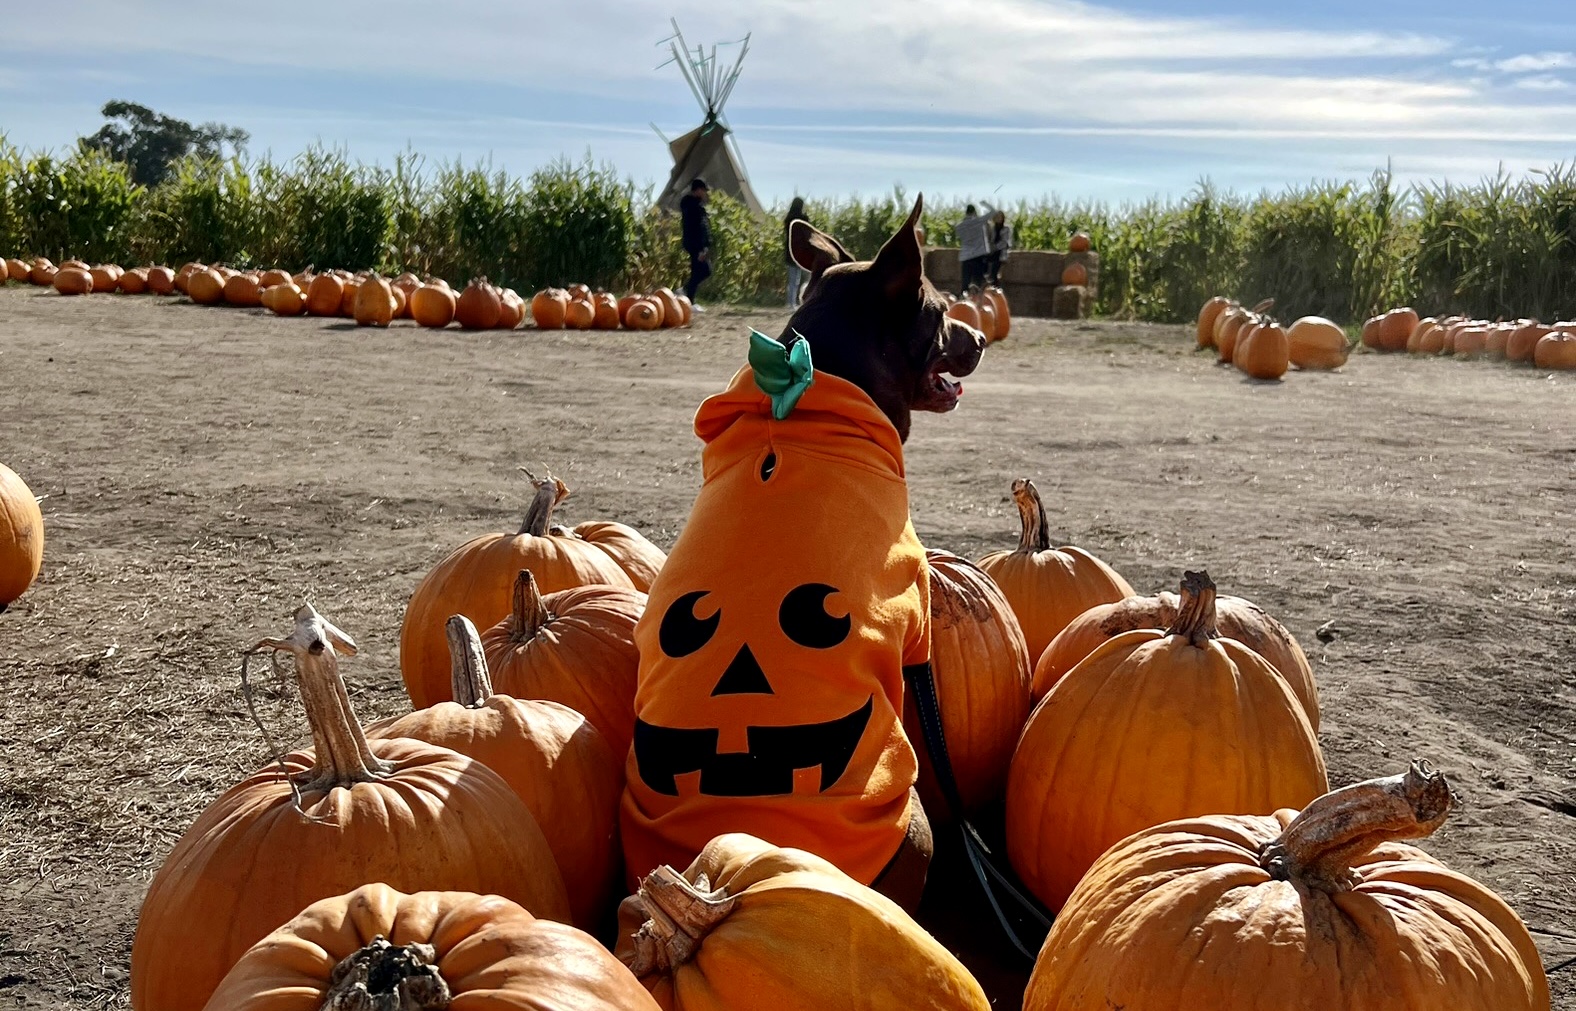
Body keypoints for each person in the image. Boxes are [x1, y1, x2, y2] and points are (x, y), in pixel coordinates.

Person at [679, 178, 711, 309]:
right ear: (697, 190)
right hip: (695, 245)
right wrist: (701, 248)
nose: (704, 193)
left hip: (696, 244)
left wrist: (707, 244)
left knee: (699, 271)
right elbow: (696, 229)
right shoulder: (693, 207)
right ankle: (687, 296)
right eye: (703, 190)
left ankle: (687, 297)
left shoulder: (695, 206)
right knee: (704, 270)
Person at [955, 203, 992, 294]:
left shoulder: (959, 226)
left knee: (965, 282)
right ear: (974, 212)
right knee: (979, 282)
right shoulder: (979, 221)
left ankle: (963, 301)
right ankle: (979, 302)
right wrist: (985, 204)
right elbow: (993, 212)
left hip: (966, 256)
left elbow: (959, 236)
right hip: (978, 256)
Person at [783, 196, 810, 310]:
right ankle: (795, 302)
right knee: (801, 279)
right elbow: (808, 234)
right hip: (801, 252)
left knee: (792, 279)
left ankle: (791, 302)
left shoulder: (788, 219)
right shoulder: (803, 219)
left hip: (790, 251)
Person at [986, 209, 1013, 286]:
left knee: (994, 273)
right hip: (992, 253)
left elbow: (1004, 242)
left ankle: (995, 288)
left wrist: (994, 247)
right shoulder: (993, 228)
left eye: (1000, 217)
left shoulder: (1006, 228)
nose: (998, 219)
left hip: (1000, 253)